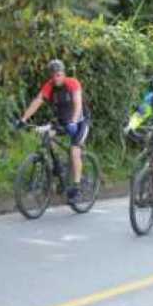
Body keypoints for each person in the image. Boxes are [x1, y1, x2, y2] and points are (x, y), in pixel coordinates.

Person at [18, 59, 90, 201]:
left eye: (58, 74)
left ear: (63, 74)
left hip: (80, 122)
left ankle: (76, 188)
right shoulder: (50, 86)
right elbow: (37, 101)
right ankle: (58, 167)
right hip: (62, 121)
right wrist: (23, 119)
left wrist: (74, 121)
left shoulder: (72, 83)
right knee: (47, 136)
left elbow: (78, 104)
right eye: (53, 75)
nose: (56, 78)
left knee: (75, 150)